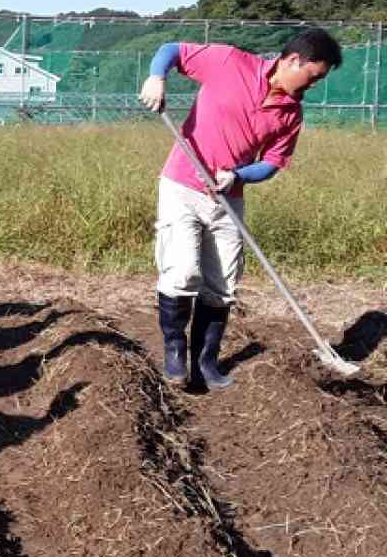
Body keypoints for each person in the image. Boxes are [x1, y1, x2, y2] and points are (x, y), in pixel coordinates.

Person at [140, 28, 342, 390]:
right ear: (293, 60)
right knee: (182, 271)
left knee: (223, 284)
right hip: (183, 185)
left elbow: (272, 163)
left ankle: (205, 363)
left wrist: (236, 175)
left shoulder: (291, 113)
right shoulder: (230, 61)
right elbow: (172, 49)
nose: (313, 85)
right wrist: (157, 77)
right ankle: (174, 352)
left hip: (227, 196)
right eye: (314, 76)